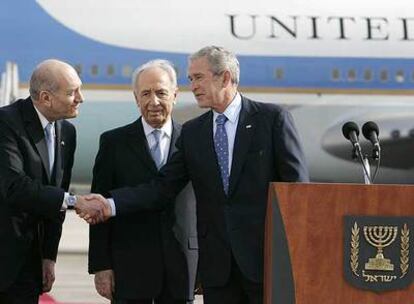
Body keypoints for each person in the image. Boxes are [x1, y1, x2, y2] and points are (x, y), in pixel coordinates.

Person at [80, 46, 309, 304]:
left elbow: (297, 193)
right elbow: (162, 187)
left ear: (224, 77)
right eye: (190, 79)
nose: (193, 86)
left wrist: (296, 258)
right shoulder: (193, 133)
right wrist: (109, 205)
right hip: (218, 273)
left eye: (198, 77)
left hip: (264, 265)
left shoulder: (271, 120)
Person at [88, 59, 198, 304]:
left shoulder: (195, 140)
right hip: (129, 268)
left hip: (182, 266)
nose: (154, 101)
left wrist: (205, 262)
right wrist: (101, 266)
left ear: (175, 95)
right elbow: (99, 208)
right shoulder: (113, 143)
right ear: (136, 98)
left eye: (161, 93)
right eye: (146, 94)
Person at [0, 59, 107, 304]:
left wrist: (48, 256)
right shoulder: (6, 123)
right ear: (46, 98)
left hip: (28, 268)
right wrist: (75, 202)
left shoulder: (67, 132)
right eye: (72, 92)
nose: (81, 98)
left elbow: (55, 201)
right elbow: (14, 187)